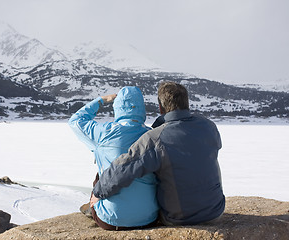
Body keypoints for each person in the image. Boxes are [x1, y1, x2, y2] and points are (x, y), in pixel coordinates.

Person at [91, 81, 225, 225]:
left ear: (161, 108)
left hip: (180, 217)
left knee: (151, 167)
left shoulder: (155, 138)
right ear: (186, 103)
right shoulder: (208, 126)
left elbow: (122, 169)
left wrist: (98, 193)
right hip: (215, 211)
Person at [68, 86, 159, 230]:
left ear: (118, 107)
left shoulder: (104, 133)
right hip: (149, 218)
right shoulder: (152, 136)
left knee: (103, 171)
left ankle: (94, 205)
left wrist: (101, 101)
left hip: (110, 220)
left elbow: (75, 120)